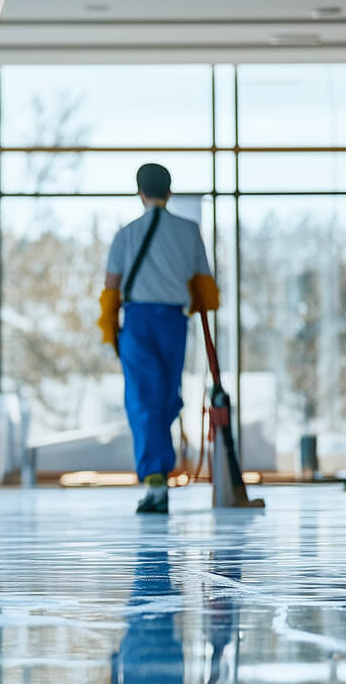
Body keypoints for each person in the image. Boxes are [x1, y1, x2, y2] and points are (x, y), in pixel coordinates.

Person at [97, 164, 219, 514]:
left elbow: (110, 291)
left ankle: (155, 481)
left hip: (137, 323)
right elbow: (206, 291)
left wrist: (110, 331)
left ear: (140, 192)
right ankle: (159, 474)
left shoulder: (125, 235)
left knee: (143, 400)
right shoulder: (189, 231)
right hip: (174, 322)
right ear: (169, 191)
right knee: (166, 396)